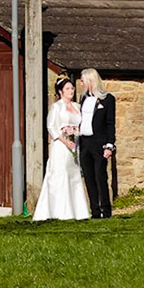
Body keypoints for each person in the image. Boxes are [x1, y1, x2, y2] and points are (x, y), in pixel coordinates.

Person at [33, 77, 88, 221]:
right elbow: (51, 126)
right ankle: (58, 211)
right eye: (67, 89)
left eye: (72, 88)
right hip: (61, 145)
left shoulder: (77, 106)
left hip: (74, 144)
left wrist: (76, 134)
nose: (71, 91)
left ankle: (78, 211)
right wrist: (64, 140)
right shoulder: (57, 107)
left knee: (74, 174)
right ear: (60, 91)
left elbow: (81, 125)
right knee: (60, 174)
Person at [78, 68, 117, 219]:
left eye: (83, 81)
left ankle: (105, 210)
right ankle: (94, 211)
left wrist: (109, 145)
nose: (81, 84)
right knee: (88, 177)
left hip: (99, 143)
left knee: (100, 176)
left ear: (90, 81)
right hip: (85, 143)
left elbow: (110, 124)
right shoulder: (83, 99)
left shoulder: (108, 99)